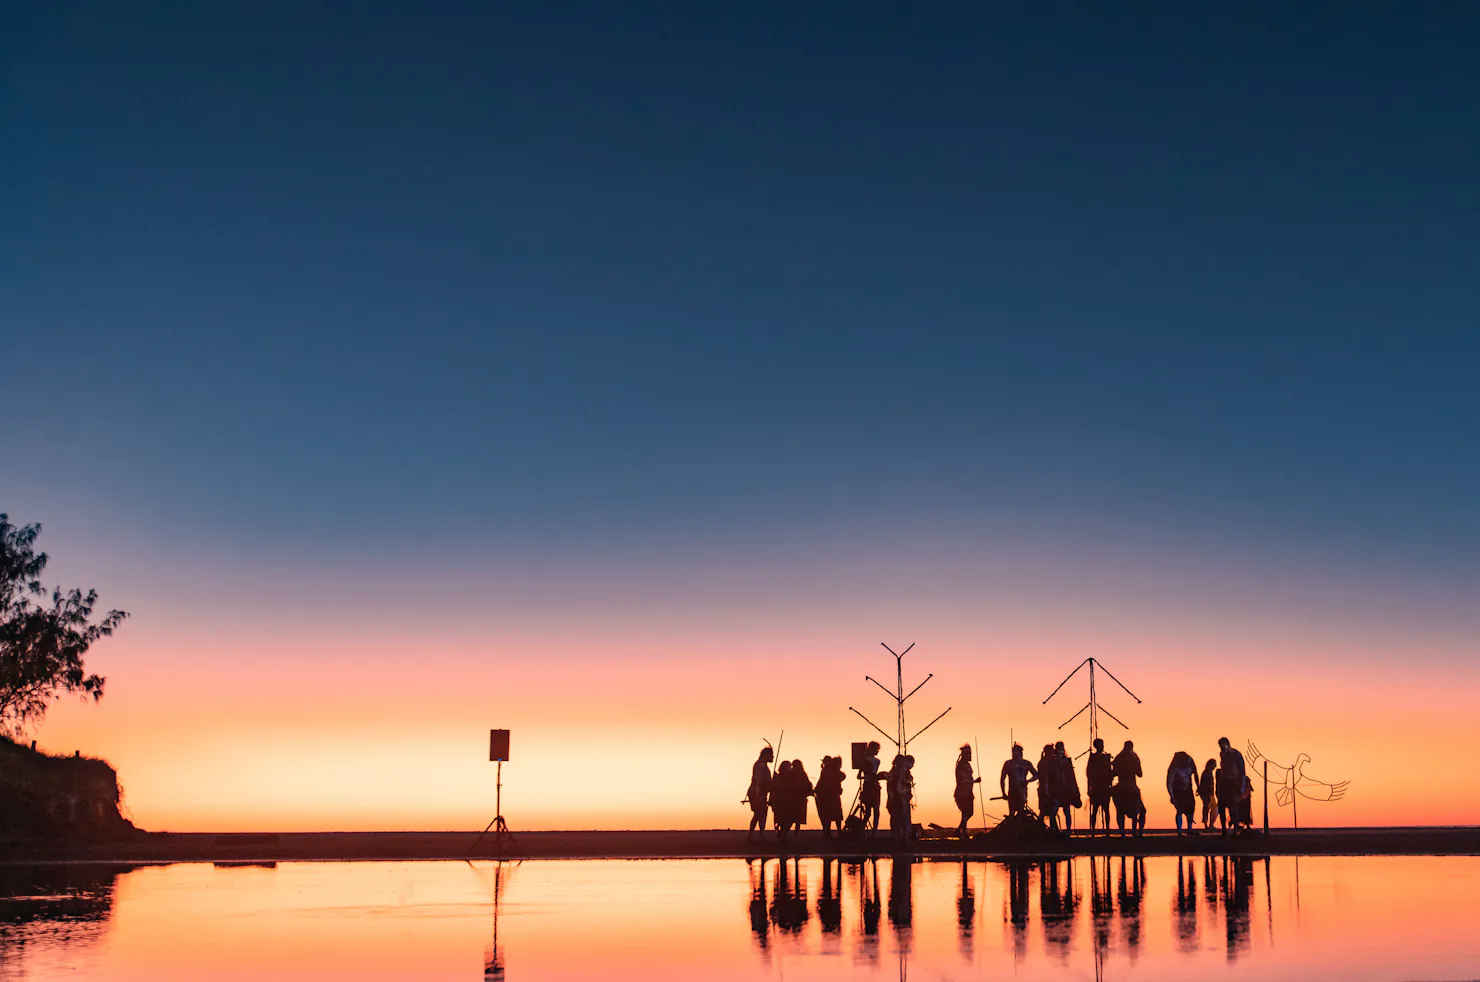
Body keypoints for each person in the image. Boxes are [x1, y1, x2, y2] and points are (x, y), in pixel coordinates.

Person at [1112, 741, 1144, 836]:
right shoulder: (1134, 757)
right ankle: (1138, 832)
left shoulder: (1118, 757)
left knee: (1120, 811)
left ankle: (1122, 832)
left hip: (1120, 787)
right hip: (1131, 786)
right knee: (1140, 810)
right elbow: (1140, 774)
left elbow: (1113, 774)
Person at [1216, 737, 1247, 835]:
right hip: (1224, 782)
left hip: (1233, 782)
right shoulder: (1222, 754)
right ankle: (1224, 830)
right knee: (1221, 806)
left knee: (1233, 806)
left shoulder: (1236, 754)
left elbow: (1242, 771)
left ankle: (1235, 829)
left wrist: (1241, 787)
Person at [999, 744, 1038, 818]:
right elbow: (1002, 778)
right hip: (1012, 790)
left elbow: (1036, 775)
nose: (1014, 753)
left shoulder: (1026, 763)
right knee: (1012, 812)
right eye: (1013, 752)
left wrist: (1028, 781)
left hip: (1022, 790)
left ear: (1020, 752)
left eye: (1016, 751)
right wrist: (1003, 792)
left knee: (1021, 811)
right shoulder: (1008, 763)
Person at [1166, 751, 1199, 835]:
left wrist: (1198, 786)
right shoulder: (1174, 768)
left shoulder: (1190, 761)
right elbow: (1169, 782)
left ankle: (1189, 828)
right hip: (1178, 790)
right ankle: (1180, 830)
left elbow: (1195, 774)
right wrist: (1172, 796)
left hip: (1188, 789)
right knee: (1179, 810)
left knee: (1191, 809)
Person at [746, 746, 774, 842]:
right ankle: (755, 836)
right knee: (759, 814)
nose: (773, 757)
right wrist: (758, 795)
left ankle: (757, 835)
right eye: (771, 755)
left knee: (760, 814)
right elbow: (757, 781)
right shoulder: (760, 766)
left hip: (760, 793)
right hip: (757, 793)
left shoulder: (762, 765)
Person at [1086, 738, 1114, 832]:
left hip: (1105, 787)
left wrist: (1110, 785)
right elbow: (1089, 774)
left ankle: (1107, 830)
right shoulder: (1093, 758)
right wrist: (1089, 788)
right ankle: (1093, 830)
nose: (1102, 747)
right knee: (1095, 810)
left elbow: (1110, 772)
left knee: (1106, 809)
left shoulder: (1105, 757)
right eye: (1100, 745)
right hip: (1096, 787)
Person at [815, 756, 846, 839]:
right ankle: (837, 832)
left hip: (827, 795)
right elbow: (841, 777)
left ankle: (829, 833)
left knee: (829, 816)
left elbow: (842, 776)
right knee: (835, 815)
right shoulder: (831, 771)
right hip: (830, 795)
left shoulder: (827, 770)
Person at [1053, 741, 1082, 831]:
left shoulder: (1067, 761)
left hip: (1066, 789)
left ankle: (1068, 830)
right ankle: (1055, 829)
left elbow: (1072, 776)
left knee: (1067, 810)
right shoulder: (1053, 761)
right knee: (1054, 810)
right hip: (1055, 789)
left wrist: (1074, 789)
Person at [954, 744, 981, 839]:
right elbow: (962, 780)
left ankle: (959, 830)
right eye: (969, 754)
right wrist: (974, 781)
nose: (971, 756)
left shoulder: (967, 765)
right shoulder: (961, 766)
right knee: (965, 812)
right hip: (962, 793)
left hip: (969, 793)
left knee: (969, 813)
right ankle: (963, 833)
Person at [859, 741, 885, 833]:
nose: (877, 751)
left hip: (871, 785)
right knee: (872, 811)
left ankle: (868, 830)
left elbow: (859, 776)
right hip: (871, 786)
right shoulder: (868, 761)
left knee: (871, 811)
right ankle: (869, 831)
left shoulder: (874, 761)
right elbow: (860, 776)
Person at [1036, 745, 1060, 829]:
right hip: (1047, 790)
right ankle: (1051, 830)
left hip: (1048, 789)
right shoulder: (1045, 762)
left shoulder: (1044, 762)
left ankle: (1048, 829)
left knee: (1046, 810)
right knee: (1047, 810)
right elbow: (1045, 776)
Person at [788, 759, 814, 837]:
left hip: (794, 798)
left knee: (792, 816)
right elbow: (808, 784)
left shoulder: (791, 773)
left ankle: (788, 833)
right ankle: (796, 832)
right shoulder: (802, 773)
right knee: (798, 817)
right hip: (800, 798)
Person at [771, 760, 794, 843]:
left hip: (781, 801)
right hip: (782, 801)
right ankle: (783, 835)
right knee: (785, 819)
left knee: (781, 819)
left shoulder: (779, 777)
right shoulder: (786, 777)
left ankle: (782, 834)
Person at [1197, 758, 1217, 829]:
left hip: (1211, 794)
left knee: (1214, 809)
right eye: (1214, 764)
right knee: (1207, 808)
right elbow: (1203, 784)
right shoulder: (1206, 773)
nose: (1215, 766)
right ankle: (1206, 824)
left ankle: (1210, 824)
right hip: (1207, 794)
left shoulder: (1209, 773)